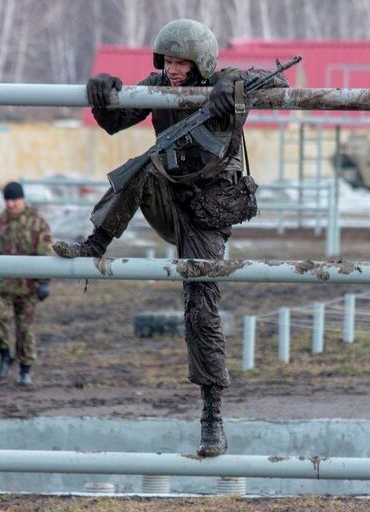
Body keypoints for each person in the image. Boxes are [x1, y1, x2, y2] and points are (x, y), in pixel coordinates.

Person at [51, 18, 289, 456]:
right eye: (169, 61)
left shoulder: (224, 83)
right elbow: (116, 119)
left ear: (202, 62)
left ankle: (212, 416)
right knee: (141, 164)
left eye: (182, 62)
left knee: (201, 305)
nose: (174, 70)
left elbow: (273, 79)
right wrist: (102, 92)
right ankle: (96, 243)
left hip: (208, 214)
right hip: (167, 198)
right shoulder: (156, 84)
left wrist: (230, 85)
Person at [0, 181, 52, 386]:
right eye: (7, 200)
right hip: (0, 286)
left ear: (23, 200)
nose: (11, 204)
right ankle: (4, 354)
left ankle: (25, 369)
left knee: (24, 330)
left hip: (27, 287)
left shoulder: (37, 222)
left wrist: (44, 282)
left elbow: (46, 252)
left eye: (14, 200)